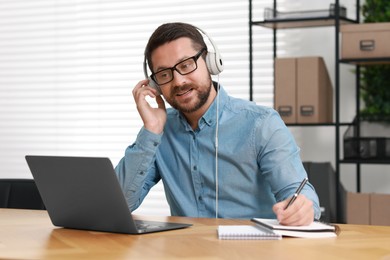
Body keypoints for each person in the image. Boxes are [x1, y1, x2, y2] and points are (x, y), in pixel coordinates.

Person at [115, 22, 321, 225]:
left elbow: (299, 194)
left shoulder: (261, 123)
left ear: (210, 62)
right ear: (155, 85)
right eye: (164, 74)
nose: (178, 81)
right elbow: (119, 204)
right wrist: (151, 130)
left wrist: (302, 209)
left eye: (186, 65)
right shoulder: (160, 131)